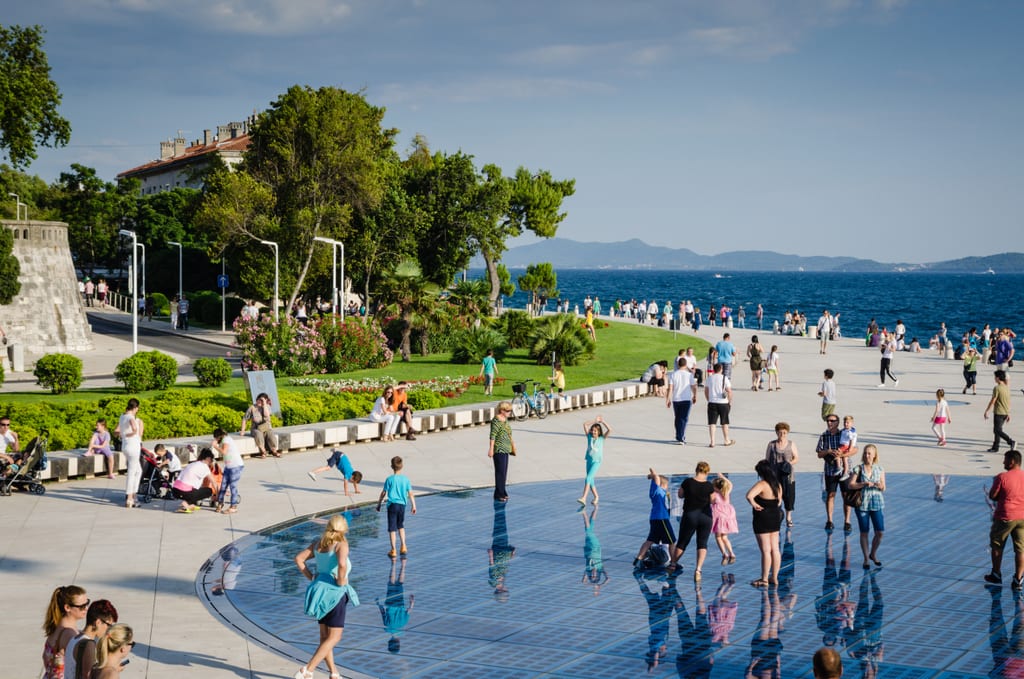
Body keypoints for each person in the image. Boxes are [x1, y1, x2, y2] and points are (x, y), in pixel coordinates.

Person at [293, 514, 359, 679]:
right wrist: (341, 581)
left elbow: (299, 559)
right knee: (335, 637)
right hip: (334, 595)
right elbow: (342, 564)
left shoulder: (318, 544)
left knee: (325, 637)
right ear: (344, 529)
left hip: (319, 592)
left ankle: (334, 673)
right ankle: (307, 670)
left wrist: (312, 577)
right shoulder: (341, 544)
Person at [670, 461, 715, 581]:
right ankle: (698, 569)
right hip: (706, 517)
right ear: (707, 472)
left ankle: (673, 564)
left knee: (682, 542)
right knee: (702, 543)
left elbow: (680, 495)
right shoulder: (709, 486)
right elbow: (712, 501)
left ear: (696, 470)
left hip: (690, 515)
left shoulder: (687, 482)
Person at [985, 450, 1024, 588]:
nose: (1003, 462)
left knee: (997, 544)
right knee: (1020, 549)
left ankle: (996, 574)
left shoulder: (1002, 477)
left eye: (1005, 460)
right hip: (1023, 517)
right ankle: (1018, 579)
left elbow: (993, 495)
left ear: (1012, 461)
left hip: (1005, 516)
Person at [847, 444, 886, 570]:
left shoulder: (880, 469)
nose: (867, 455)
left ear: (874, 455)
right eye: (865, 453)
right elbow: (850, 485)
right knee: (864, 532)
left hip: (876, 503)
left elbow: (884, 487)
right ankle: (865, 558)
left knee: (880, 532)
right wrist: (863, 483)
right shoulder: (858, 469)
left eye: (869, 453)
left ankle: (873, 553)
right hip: (862, 504)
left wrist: (880, 486)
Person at [746, 460, 784, 587]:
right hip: (775, 517)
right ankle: (774, 577)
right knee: (775, 549)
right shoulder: (777, 485)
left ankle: (764, 579)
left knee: (766, 550)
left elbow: (749, 495)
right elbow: (779, 502)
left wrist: (755, 504)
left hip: (762, 518)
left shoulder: (762, 484)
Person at [817, 414, 856, 532]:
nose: (829, 423)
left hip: (845, 470)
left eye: (832, 421)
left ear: (838, 422)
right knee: (831, 495)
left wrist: (841, 455)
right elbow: (819, 453)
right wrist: (828, 451)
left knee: (846, 496)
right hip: (830, 470)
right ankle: (829, 520)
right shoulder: (824, 436)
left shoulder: (844, 433)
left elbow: (855, 449)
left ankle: (847, 521)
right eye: (828, 421)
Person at [41, 585, 88, 679]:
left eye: (87, 603)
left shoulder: (56, 628)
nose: (86, 608)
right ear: (67, 607)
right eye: (82, 606)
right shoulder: (69, 634)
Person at [64, 600, 118, 679]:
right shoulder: (89, 645)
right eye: (108, 625)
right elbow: (87, 676)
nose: (108, 630)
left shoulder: (75, 638)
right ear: (98, 622)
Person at [633, 467, 676, 567]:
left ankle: (638, 559)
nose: (667, 488)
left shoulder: (659, 493)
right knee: (672, 541)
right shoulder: (658, 491)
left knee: (650, 540)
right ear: (662, 485)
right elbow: (656, 478)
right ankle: (673, 562)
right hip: (662, 519)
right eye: (666, 485)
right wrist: (653, 475)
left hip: (655, 519)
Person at [376, 456, 417, 558]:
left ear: (391, 466)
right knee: (400, 526)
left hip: (392, 505)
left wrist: (379, 503)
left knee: (392, 528)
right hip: (402, 505)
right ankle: (403, 546)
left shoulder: (389, 479)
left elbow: (383, 493)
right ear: (402, 466)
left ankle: (393, 549)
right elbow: (410, 493)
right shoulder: (406, 479)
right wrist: (414, 505)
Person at [377, 558, 414, 654]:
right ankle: (393, 563)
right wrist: (378, 604)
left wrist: (412, 603)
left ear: (399, 642)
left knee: (400, 583)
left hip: (399, 602)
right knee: (391, 583)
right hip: (389, 603)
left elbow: (408, 611)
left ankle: (403, 565)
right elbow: (383, 612)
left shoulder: (403, 624)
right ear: (389, 642)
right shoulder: (387, 625)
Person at [766, 422, 799, 528]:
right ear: (776, 432)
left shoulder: (791, 444)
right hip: (775, 476)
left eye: (784, 433)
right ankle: (777, 516)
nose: (782, 435)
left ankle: (788, 517)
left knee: (789, 497)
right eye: (780, 432)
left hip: (788, 476)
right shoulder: (771, 444)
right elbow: (767, 459)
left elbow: (796, 458)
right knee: (775, 497)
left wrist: (788, 463)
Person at [114, 398, 143, 509]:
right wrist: (130, 434)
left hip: (125, 446)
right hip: (133, 446)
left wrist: (123, 434)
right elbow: (135, 429)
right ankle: (130, 498)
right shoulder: (131, 417)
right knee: (132, 472)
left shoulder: (122, 417)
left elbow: (116, 432)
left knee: (138, 471)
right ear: (135, 408)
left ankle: (134, 495)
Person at [578, 416, 611, 505]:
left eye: (595, 431)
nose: (593, 432)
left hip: (596, 462)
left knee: (588, 478)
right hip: (589, 460)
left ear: (599, 432)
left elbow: (610, 430)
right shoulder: (589, 437)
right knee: (591, 480)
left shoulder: (601, 439)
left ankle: (584, 497)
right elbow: (585, 424)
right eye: (592, 430)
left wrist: (602, 422)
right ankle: (596, 496)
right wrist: (595, 421)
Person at [171, 448, 216, 512]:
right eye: (211, 460)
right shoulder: (204, 467)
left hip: (175, 491)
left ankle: (190, 504)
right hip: (184, 492)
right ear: (208, 458)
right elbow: (214, 482)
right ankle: (185, 504)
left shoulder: (192, 464)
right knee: (208, 491)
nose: (211, 462)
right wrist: (218, 495)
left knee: (195, 489)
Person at [666, 357, 698, 445]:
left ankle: (678, 435)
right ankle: (681, 438)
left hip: (676, 399)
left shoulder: (673, 375)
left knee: (678, 418)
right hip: (686, 399)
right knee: (684, 418)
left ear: (678, 364)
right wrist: (695, 396)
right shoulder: (689, 375)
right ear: (685, 364)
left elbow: (670, 388)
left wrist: (668, 399)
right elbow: (694, 386)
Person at [488, 402, 515, 502]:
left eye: (510, 411)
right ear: (502, 410)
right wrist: (491, 449)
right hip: (499, 449)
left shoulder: (505, 419)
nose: (509, 413)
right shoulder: (496, 421)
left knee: (504, 472)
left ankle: (502, 491)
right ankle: (499, 494)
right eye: (508, 411)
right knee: (500, 472)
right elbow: (492, 435)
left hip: (506, 449)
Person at [212, 427, 243, 513]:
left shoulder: (226, 440)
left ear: (219, 436)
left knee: (233, 486)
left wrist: (215, 446)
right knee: (223, 486)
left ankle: (233, 506)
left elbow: (224, 452)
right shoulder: (225, 440)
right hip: (229, 466)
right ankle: (220, 503)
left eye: (215, 437)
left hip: (235, 466)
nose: (215, 439)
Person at [984, 370, 1016, 453]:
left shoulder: (997, 388)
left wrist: (987, 411)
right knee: (998, 430)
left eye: (995, 377)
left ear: (998, 378)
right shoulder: (1007, 388)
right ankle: (995, 447)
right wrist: (1008, 413)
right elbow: (1008, 401)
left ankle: (1011, 441)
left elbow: (993, 400)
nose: (994, 379)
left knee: (997, 430)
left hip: (999, 412)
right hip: (1005, 413)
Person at [705, 362, 734, 447]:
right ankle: (726, 440)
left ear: (714, 370)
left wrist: (708, 399)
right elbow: (729, 391)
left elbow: (706, 391)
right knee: (724, 422)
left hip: (712, 402)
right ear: (721, 369)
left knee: (712, 423)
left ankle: (712, 441)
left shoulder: (709, 378)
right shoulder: (725, 378)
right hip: (723, 403)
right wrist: (729, 401)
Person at [242, 392, 280, 457]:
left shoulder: (267, 407)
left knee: (270, 434)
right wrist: (242, 431)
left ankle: (274, 451)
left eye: (261, 400)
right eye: (258, 399)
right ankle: (263, 451)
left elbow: (266, 415)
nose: (259, 401)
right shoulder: (252, 408)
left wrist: (264, 404)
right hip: (256, 428)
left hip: (266, 427)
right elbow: (245, 419)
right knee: (258, 434)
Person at [710, 476, 738, 565]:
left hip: (719, 517)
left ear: (715, 487)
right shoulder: (726, 493)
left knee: (718, 537)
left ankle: (724, 554)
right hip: (727, 516)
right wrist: (722, 476)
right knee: (725, 537)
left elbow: (710, 502)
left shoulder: (714, 495)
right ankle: (732, 553)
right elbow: (730, 484)